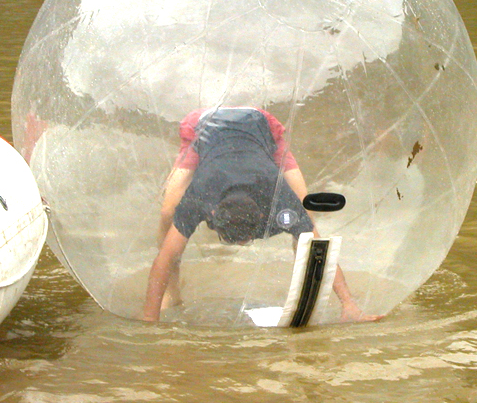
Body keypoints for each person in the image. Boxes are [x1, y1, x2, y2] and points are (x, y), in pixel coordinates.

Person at [142, 107, 380, 323]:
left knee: (306, 222)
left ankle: (312, 277)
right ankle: (172, 293)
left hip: (261, 126)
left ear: (265, 215)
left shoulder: (279, 198)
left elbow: (317, 246)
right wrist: (149, 317)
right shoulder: (200, 195)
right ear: (213, 212)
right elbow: (165, 257)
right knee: (167, 213)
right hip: (204, 127)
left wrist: (349, 304)